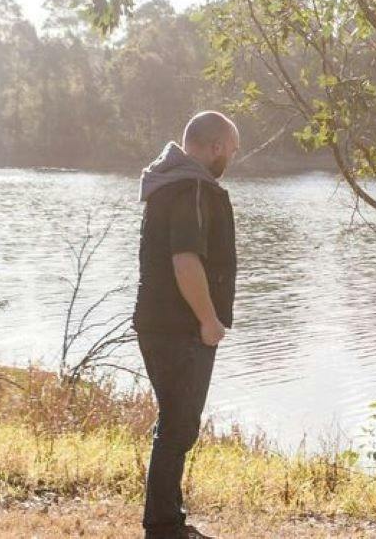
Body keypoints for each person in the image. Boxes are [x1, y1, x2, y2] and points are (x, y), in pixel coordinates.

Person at [133, 111, 241, 539]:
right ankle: (163, 527)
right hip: (181, 328)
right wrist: (208, 320)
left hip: (158, 323)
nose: (231, 158)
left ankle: (166, 520)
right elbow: (185, 261)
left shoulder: (169, 185)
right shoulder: (192, 188)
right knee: (179, 426)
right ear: (215, 147)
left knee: (174, 423)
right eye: (231, 150)